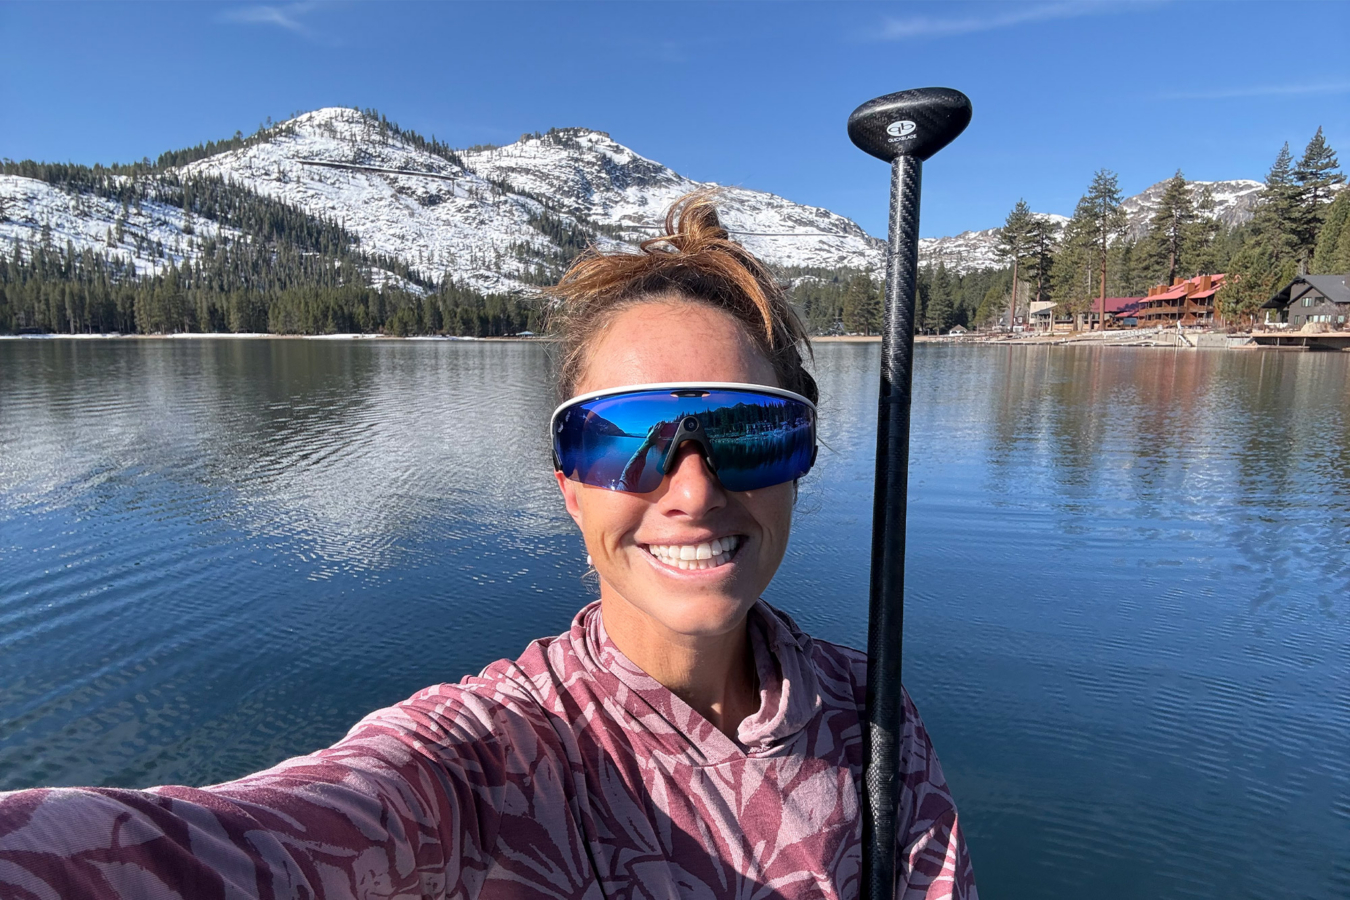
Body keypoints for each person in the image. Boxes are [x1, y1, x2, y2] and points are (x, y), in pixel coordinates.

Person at [0, 192, 976, 899]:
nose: (691, 489)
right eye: (618, 440)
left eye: (751, 432)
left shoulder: (871, 720)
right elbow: (237, 843)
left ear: (799, 459)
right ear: (567, 484)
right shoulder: (492, 755)